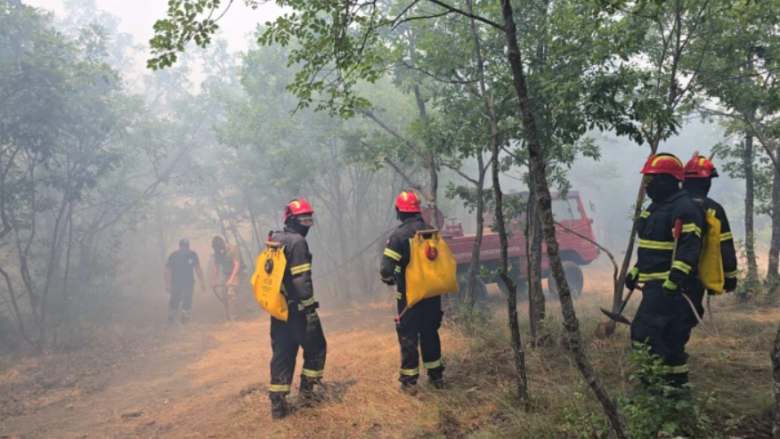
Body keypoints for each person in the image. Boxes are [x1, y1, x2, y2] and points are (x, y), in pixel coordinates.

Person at [625, 153, 705, 392]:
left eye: (651, 178)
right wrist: (637, 271)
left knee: (643, 334)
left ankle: (653, 390)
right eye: (646, 179)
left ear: (666, 180)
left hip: (671, 287)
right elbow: (653, 246)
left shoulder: (684, 207)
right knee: (670, 341)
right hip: (657, 284)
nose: (647, 184)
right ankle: (676, 393)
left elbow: (689, 246)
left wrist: (675, 279)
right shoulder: (657, 206)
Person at [380, 190, 445, 392]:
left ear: (399, 211)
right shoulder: (431, 231)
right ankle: (437, 378)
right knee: (430, 334)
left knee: (408, 336)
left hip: (410, 297)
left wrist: (388, 280)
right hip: (432, 294)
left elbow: (385, 269)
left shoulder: (399, 236)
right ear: (417, 210)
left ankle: (409, 382)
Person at [267, 199, 327, 420]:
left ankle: (278, 407)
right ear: (291, 219)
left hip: (279, 310)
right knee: (317, 347)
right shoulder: (298, 242)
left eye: (309, 220)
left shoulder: (275, 238)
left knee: (282, 353)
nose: (306, 224)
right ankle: (307, 396)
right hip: (298, 311)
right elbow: (301, 280)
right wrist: (310, 308)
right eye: (303, 219)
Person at [683, 155, 739, 293]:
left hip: (660, 276)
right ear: (706, 182)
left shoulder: (669, 205)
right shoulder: (713, 209)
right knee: (688, 313)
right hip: (695, 277)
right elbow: (724, 246)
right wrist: (729, 278)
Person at [165, 239, 205, 325]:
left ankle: (185, 318)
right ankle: (171, 317)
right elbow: (168, 270)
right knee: (175, 300)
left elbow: (197, 268)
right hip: (176, 282)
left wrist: (202, 281)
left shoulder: (193, 254)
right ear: (180, 247)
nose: (185, 248)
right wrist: (168, 284)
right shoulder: (173, 256)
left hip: (188, 282)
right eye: (183, 246)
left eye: (187, 246)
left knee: (187, 299)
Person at [211, 236, 244, 322]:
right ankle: (228, 317)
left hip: (237, 273)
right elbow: (216, 266)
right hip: (226, 274)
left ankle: (234, 320)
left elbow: (237, 265)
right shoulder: (217, 252)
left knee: (230, 294)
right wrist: (213, 280)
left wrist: (231, 280)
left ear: (222, 244)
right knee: (224, 296)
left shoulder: (232, 249)